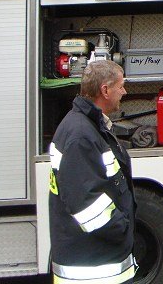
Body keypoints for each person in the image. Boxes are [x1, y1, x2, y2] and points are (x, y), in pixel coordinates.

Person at [49, 60, 136, 284]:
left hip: (95, 256)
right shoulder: (81, 136)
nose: (124, 92)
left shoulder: (87, 126)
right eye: (121, 86)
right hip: (93, 266)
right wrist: (121, 229)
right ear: (105, 90)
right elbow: (85, 203)